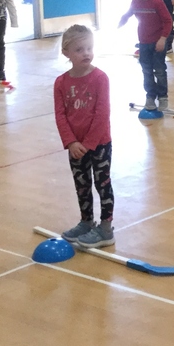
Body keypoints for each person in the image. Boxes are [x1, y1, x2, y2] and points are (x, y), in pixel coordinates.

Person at [54, 25, 115, 248]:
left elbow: (102, 114)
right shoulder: (61, 82)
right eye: (79, 49)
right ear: (66, 53)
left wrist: (88, 144)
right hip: (75, 147)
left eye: (89, 48)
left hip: (99, 145)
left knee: (102, 184)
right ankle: (86, 221)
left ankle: (106, 228)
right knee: (82, 185)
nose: (86, 53)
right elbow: (60, 115)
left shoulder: (100, 78)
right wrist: (71, 142)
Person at [119, 0, 173, 111]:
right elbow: (130, 13)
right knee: (146, 70)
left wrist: (162, 39)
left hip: (157, 43)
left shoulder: (157, 2)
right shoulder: (135, 1)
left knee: (159, 70)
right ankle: (150, 96)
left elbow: (168, 21)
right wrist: (123, 19)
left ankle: (163, 97)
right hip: (144, 43)